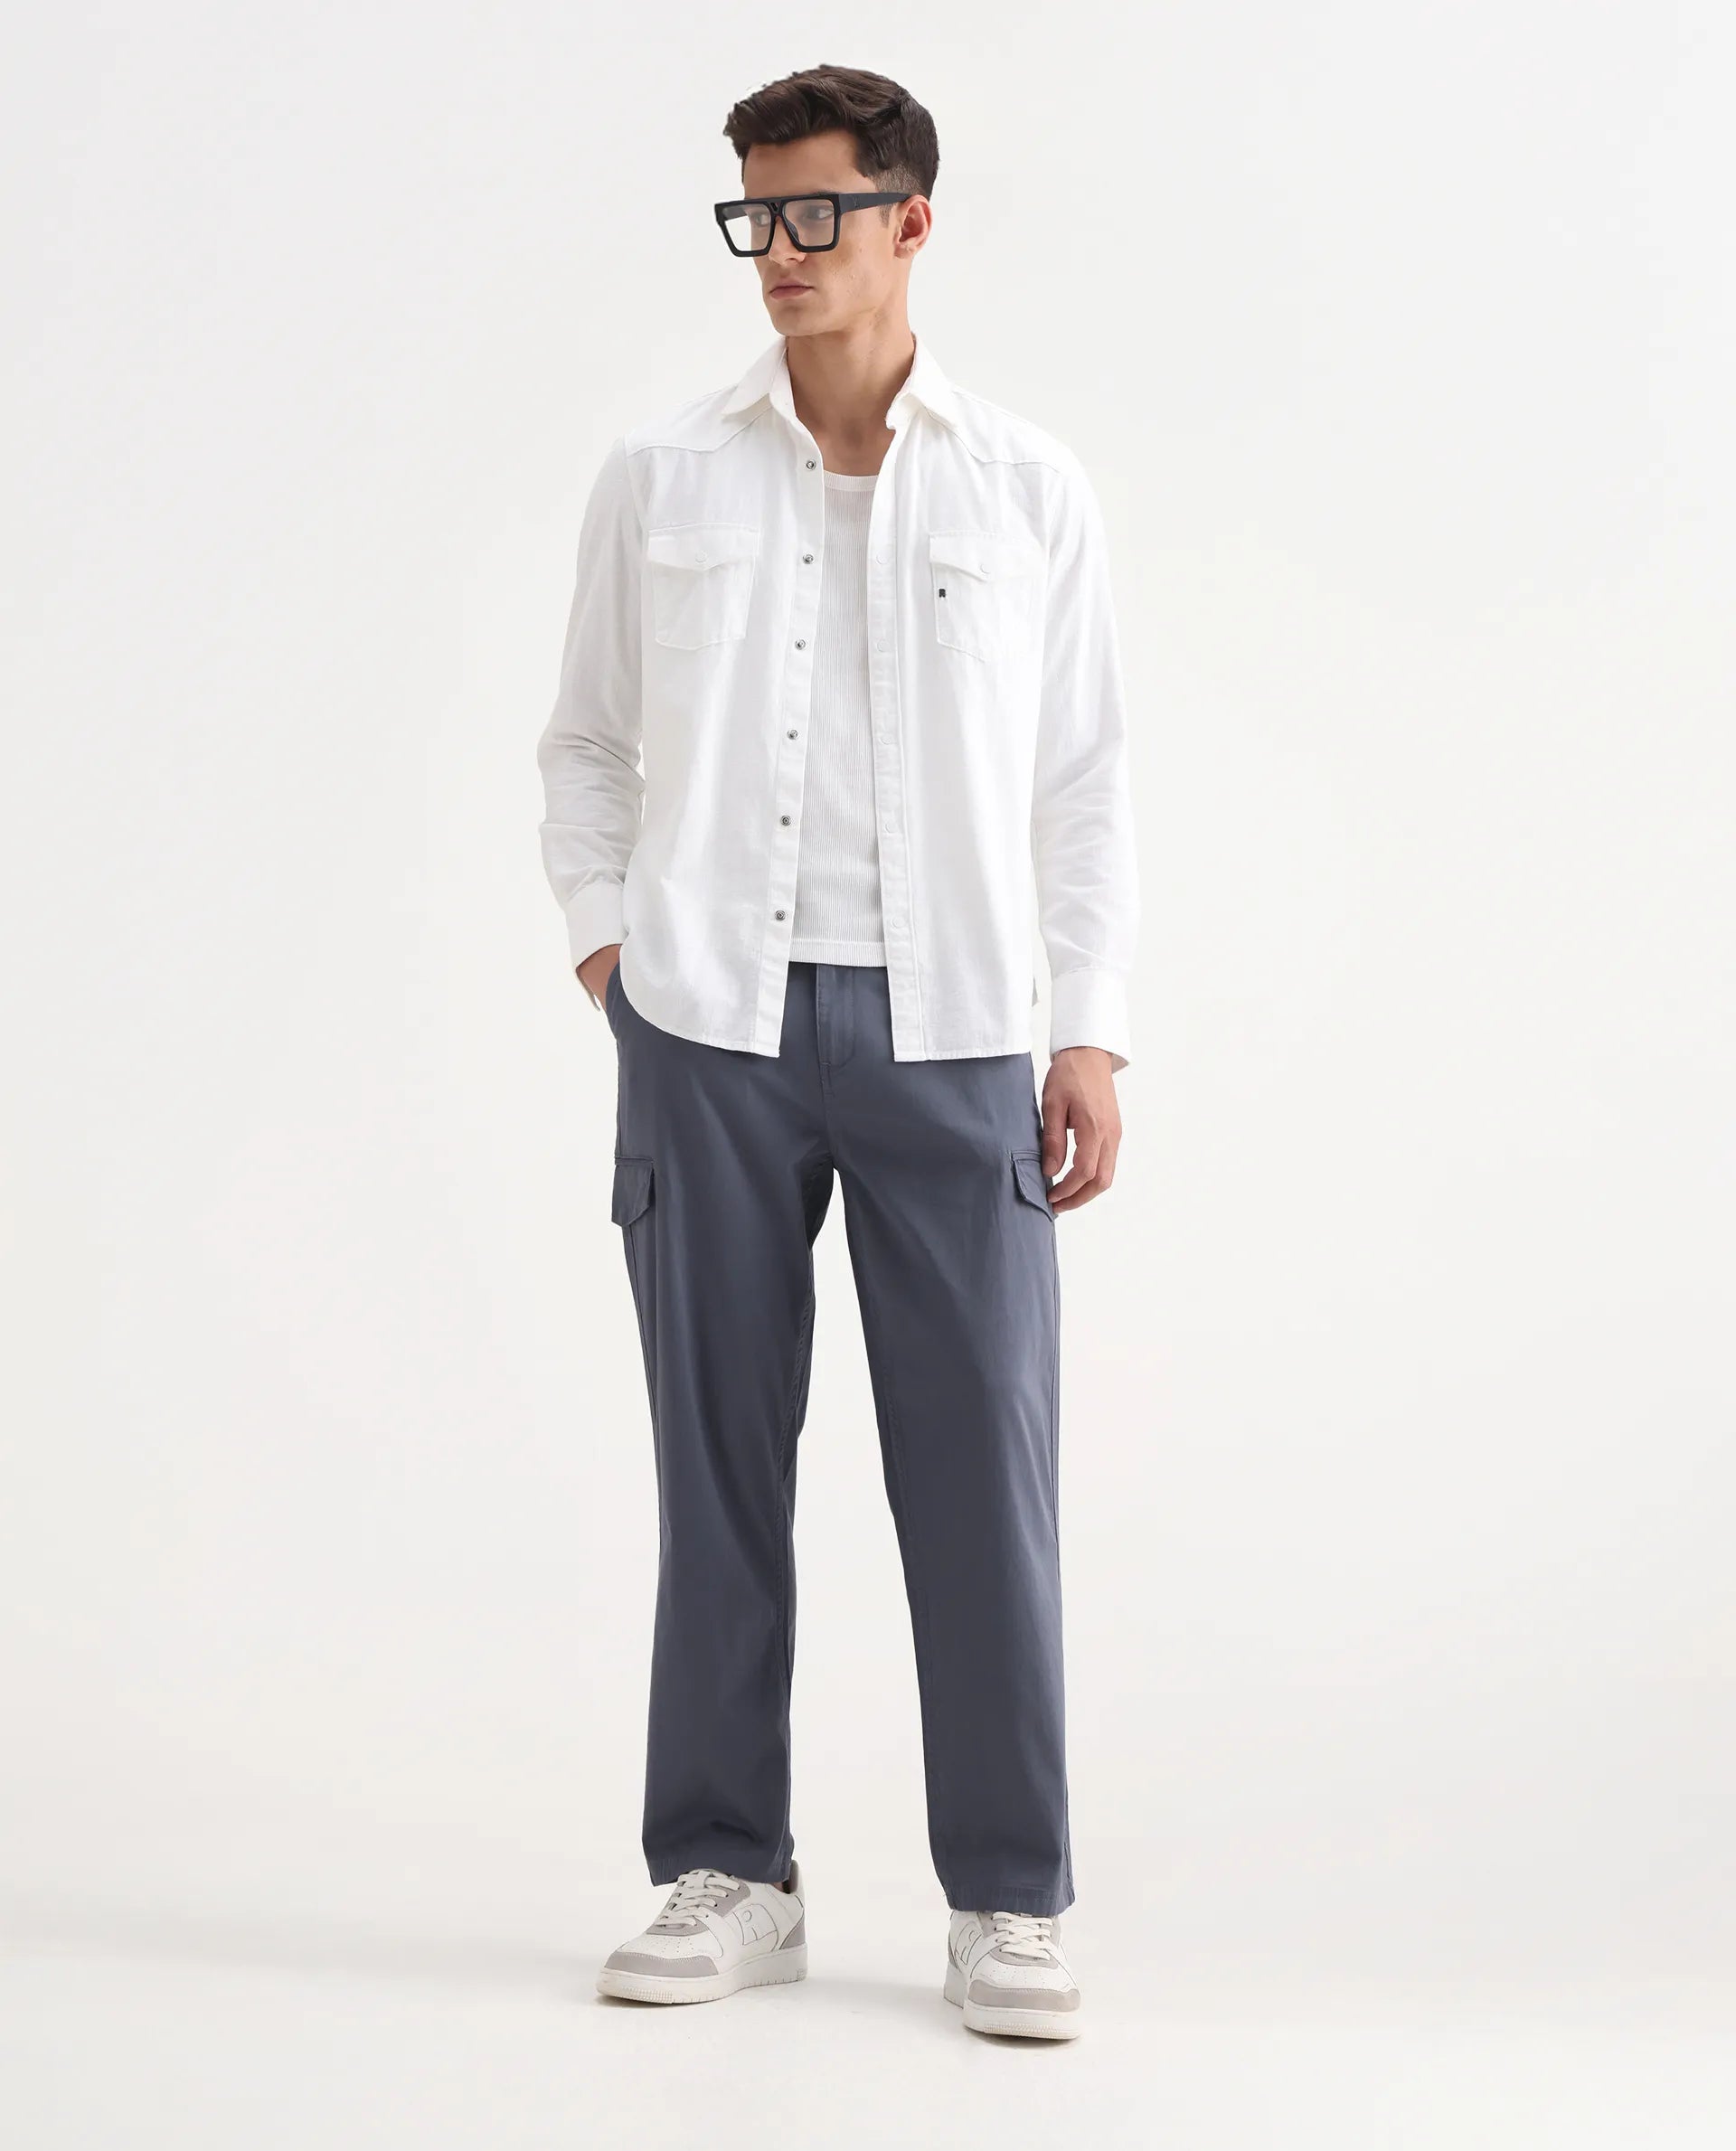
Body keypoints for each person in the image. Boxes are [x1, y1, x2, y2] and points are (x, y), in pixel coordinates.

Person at [536, 63, 1137, 2042]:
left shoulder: (1027, 486)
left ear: (910, 222)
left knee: (983, 1472)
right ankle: (729, 1867)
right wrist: (613, 947)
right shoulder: (663, 476)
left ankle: (1010, 1898)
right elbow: (586, 743)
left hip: (955, 1030)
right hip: (708, 1024)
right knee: (717, 1467)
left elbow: (1083, 782)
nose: (779, 253)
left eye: (815, 214)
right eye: (755, 218)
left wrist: (1090, 1029)